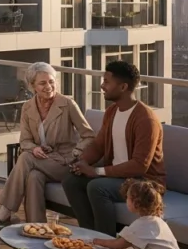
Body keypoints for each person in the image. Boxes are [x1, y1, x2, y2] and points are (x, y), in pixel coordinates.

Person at [0, 62, 94, 233]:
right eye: (43, 83)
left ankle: (4, 213)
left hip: (65, 163)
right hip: (43, 161)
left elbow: (89, 136)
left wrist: (75, 154)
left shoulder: (67, 104)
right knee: (33, 176)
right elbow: (24, 141)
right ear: (32, 86)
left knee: (25, 158)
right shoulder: (28, 107)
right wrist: (34, 148)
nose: (49, 86)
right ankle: (37, 228)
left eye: (51, 81)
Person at [62, 60, 164, 237]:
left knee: (97, 187)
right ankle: (90, 237)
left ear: (123, 87)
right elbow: (99, 145)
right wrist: (82, 162)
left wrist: (96, 171)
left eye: (107, 81)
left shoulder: (146, 119)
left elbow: (140, 166)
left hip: (144, 181)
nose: (102, 85)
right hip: (118, 177)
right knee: (71, 181)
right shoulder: (111, 112)